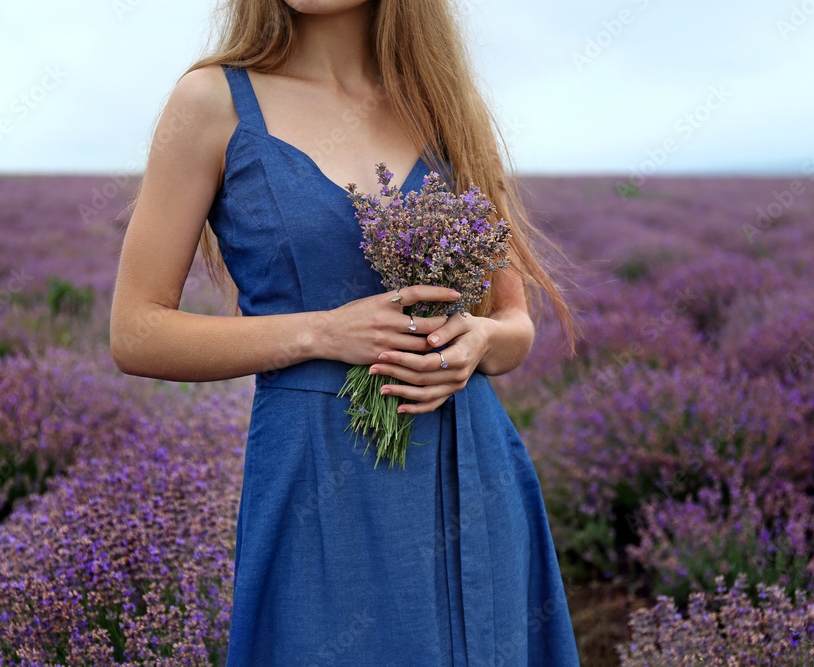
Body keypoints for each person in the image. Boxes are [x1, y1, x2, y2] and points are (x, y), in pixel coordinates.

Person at [110, 0, 582, 664]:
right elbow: (136, 331)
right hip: (317, 485)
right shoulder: (211, 102)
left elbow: (515, 324)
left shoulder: (445, 102)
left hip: (469, 470)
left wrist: (475, 341)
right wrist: (322, 333)